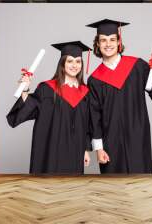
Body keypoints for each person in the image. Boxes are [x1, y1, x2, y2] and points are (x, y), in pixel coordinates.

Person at [86, 19, 152, 174]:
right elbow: (94, 117)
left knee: (140, 183)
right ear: (97, 44)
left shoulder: (136, 66)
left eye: (112, 39)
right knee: (114, 188)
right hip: (111, 141)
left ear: (119, 42)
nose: (108, 44)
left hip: (138, 134)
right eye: (103, 40)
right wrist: (98, 148)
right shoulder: (94, 79)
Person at [7, 41, 92, 174]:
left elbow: (87, 124)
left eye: (78, 61)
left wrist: (85, 150)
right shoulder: (47, 88)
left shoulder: (86, 92)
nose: (74, 65)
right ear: (62, 63)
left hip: (76, 150)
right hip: (51, 149)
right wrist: (25, 89)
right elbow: (32, 108)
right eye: (70, 61)